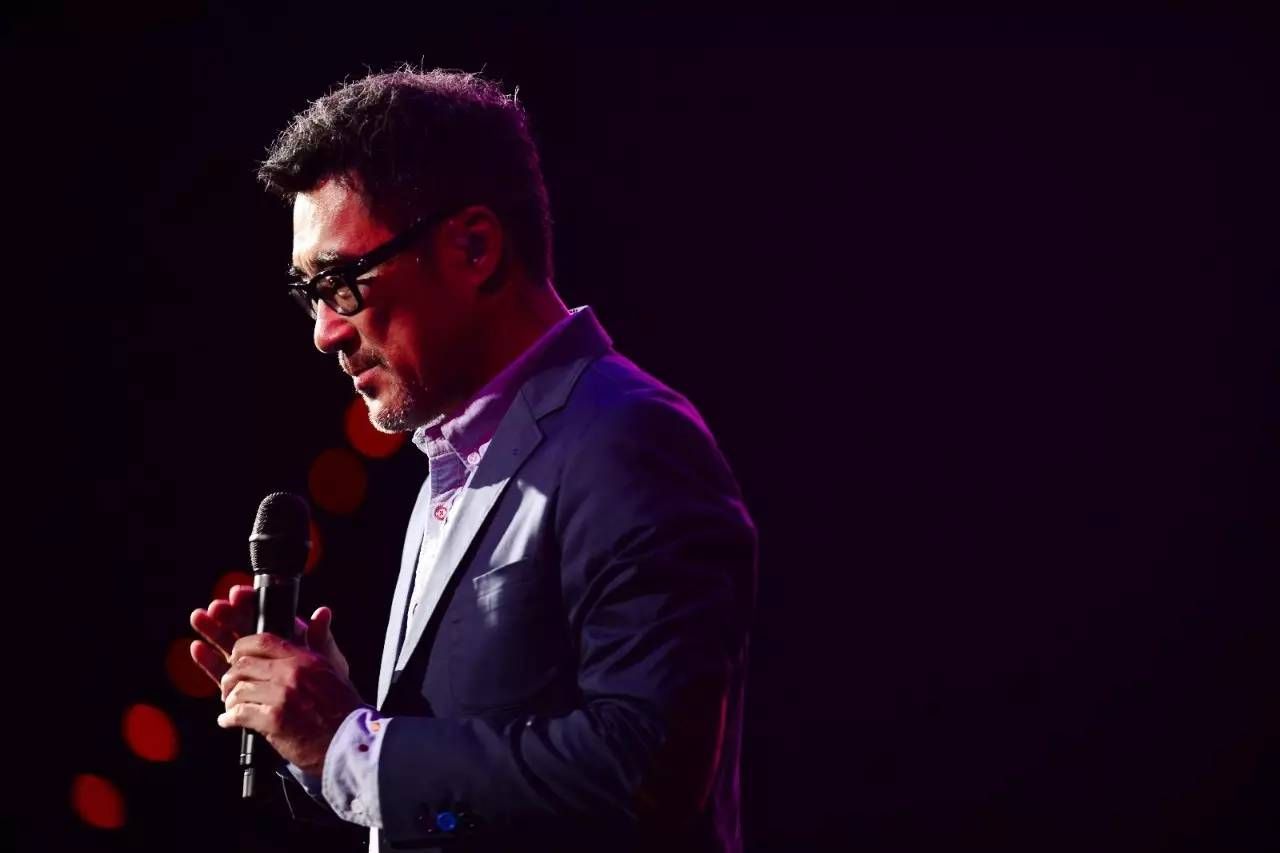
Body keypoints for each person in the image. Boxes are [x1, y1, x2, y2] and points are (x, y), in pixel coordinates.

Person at [189, 68, 757, 853]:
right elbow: (456, 801)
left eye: (342, 282)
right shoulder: (453, 459)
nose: (324, 331)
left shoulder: (628, 439)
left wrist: (354, 742)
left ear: (475, 247)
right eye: (308, 293)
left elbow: (645, 774)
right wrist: (320, 732)